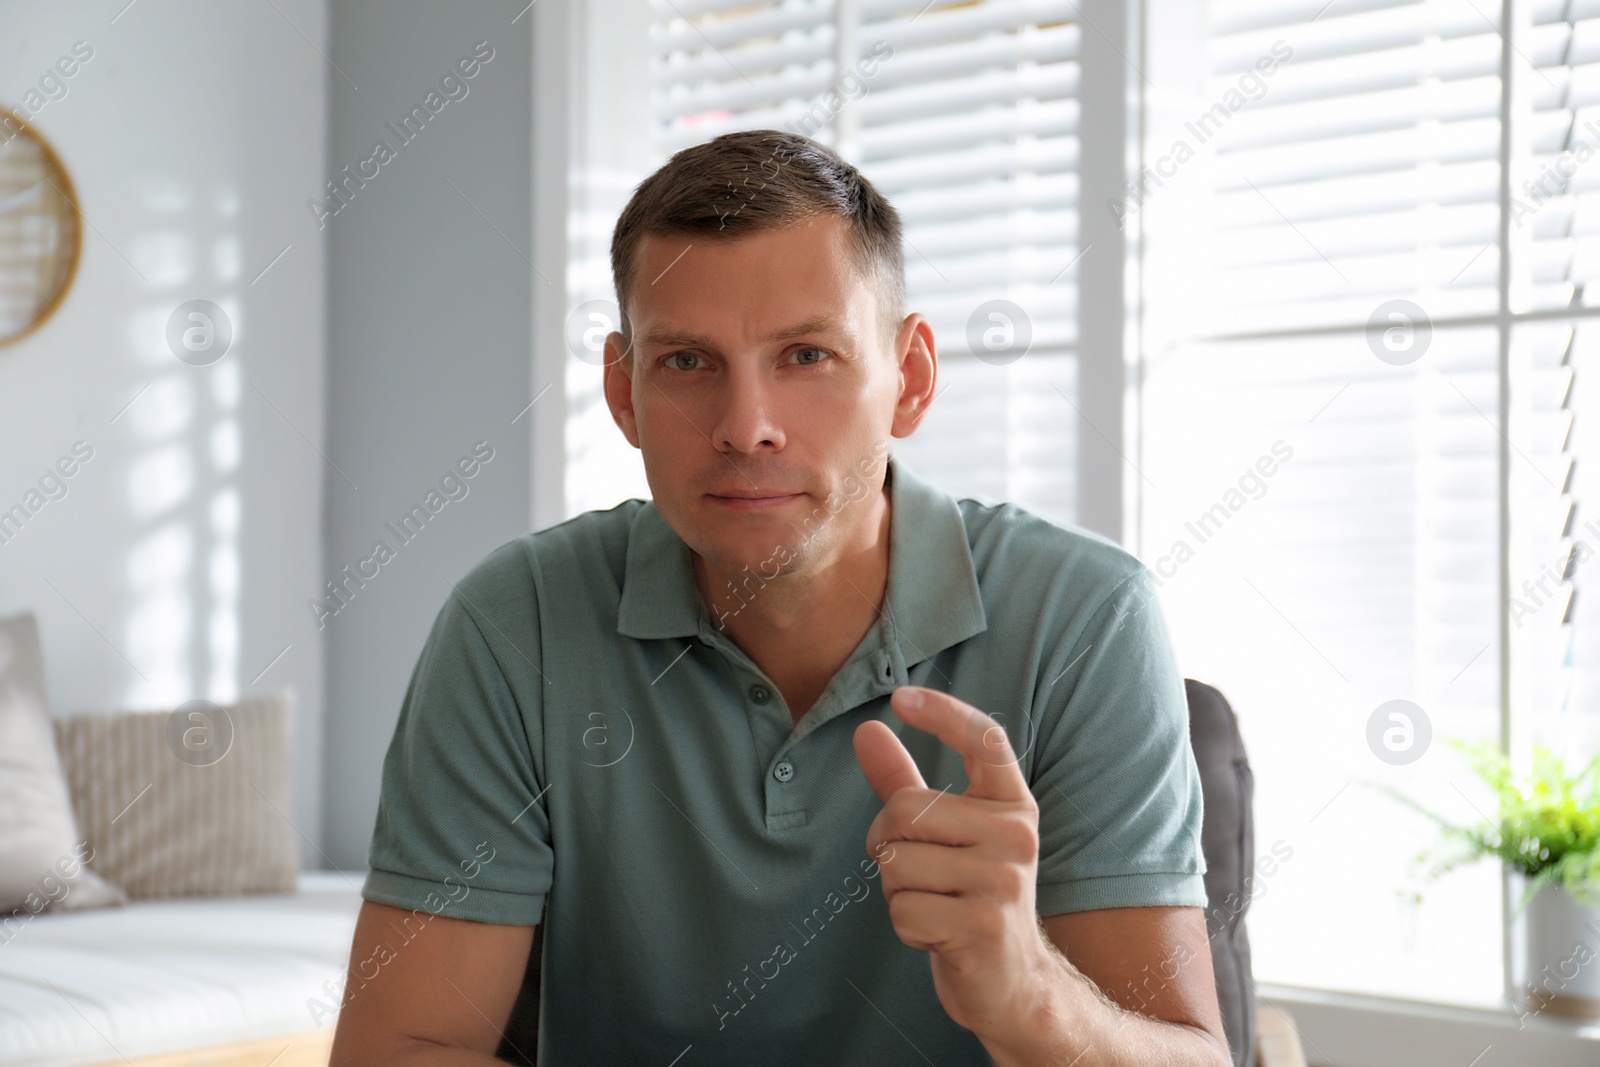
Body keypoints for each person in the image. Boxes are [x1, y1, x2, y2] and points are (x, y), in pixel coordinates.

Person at [330, 129, 1229, 1067]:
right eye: (686, 361)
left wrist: (1029, 994)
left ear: (910, 378)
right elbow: (398, 1052)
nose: (744, 426)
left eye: (806, 355)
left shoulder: (1088, 617)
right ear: (624, 391)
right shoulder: (516, 622)